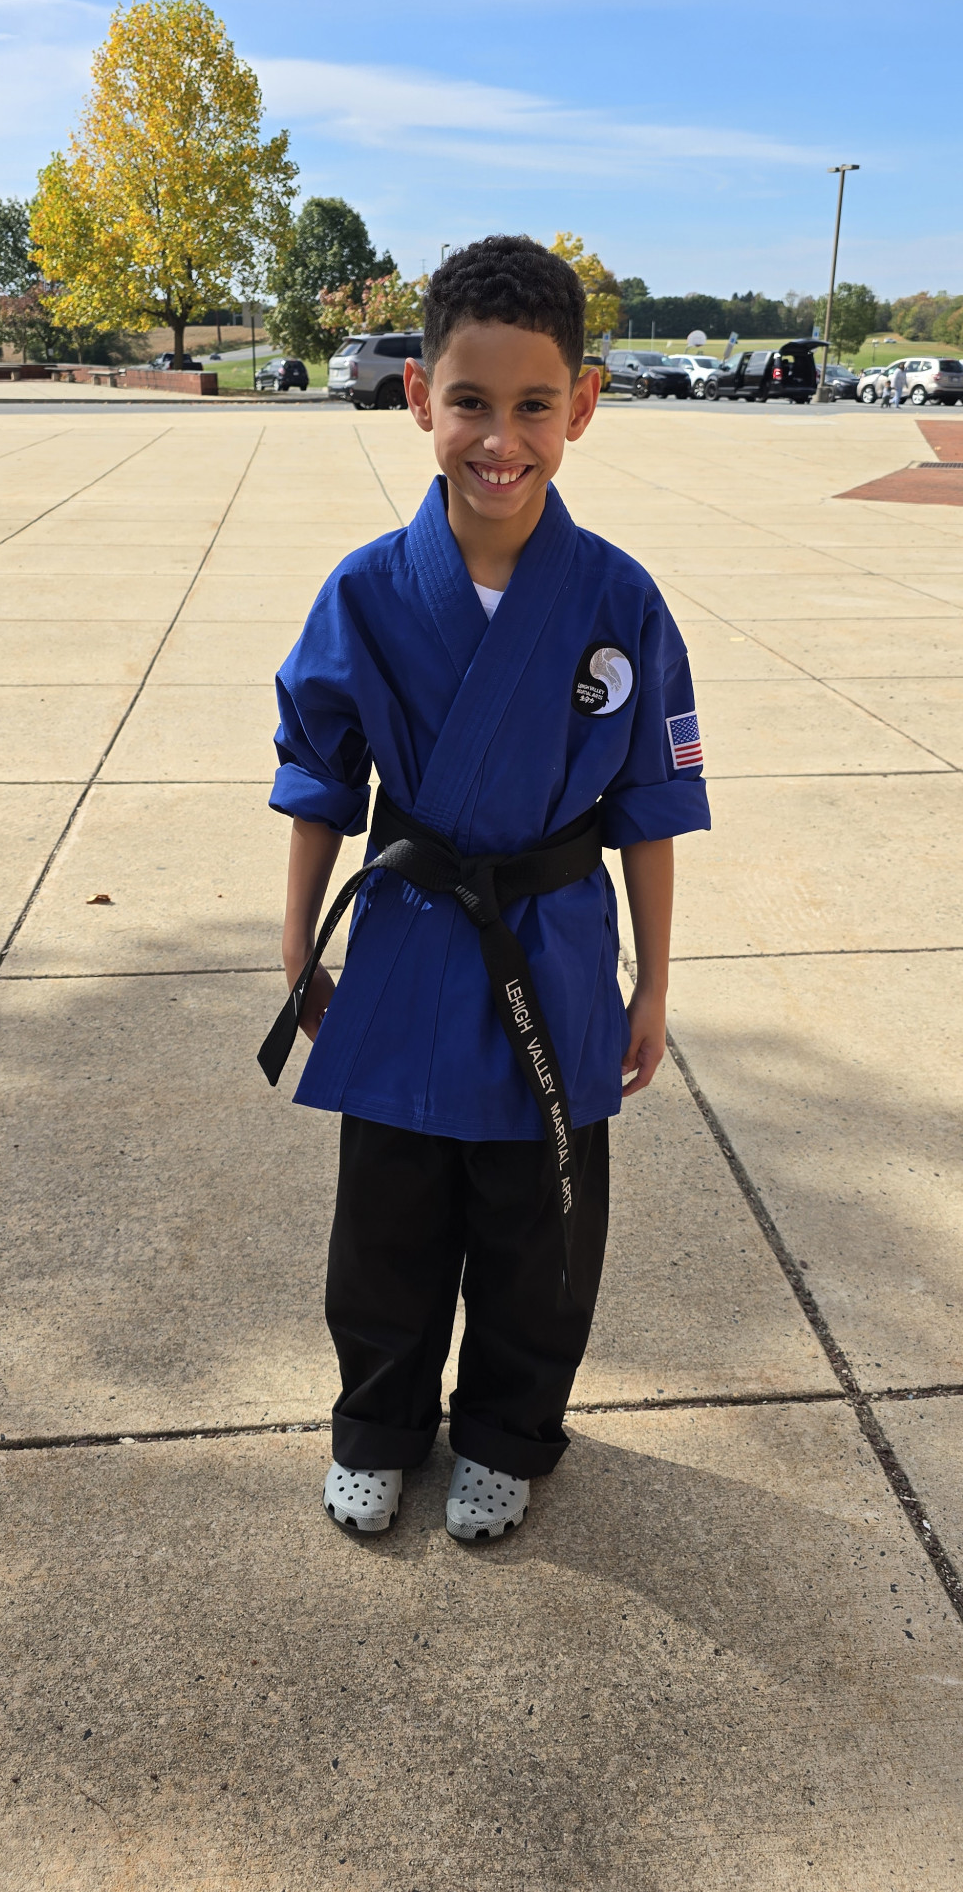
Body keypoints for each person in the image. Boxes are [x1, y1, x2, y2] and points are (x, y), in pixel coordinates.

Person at [264, 236, 710, 1543]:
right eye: (470, 402)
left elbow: (649, 809)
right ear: (420, 398)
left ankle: (510, 1430)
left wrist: (653, 982)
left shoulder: (619, 599)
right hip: (407, 941)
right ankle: (376, 1423)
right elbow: (318, 780)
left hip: (555, 948)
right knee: (386, 1221)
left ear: (583, 405)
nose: (500, 441)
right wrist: (295, 947)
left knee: (538, 1231)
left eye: (533, 406)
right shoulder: (366, 591)